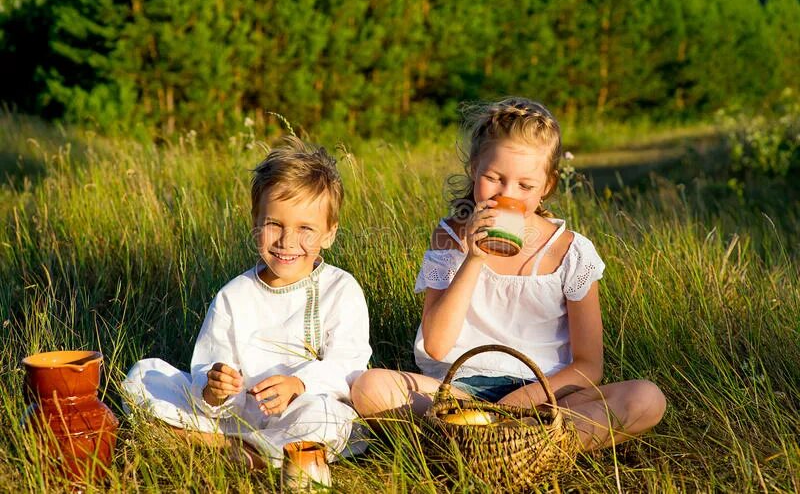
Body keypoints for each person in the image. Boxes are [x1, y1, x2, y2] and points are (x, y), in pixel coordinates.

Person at [351, 98, 666, 450]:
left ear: (547, 185)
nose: (506, 195)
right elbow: (437, 346)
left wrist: (523, 401)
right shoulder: (449, 237)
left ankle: (495, 444)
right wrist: (473, 259)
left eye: (525, 186)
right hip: (459, 393)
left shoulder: (571, 252)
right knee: (370, 387)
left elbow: (589, 365)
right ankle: (510, 444)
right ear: (474, 168)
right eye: (494, 178)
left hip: (545, 397)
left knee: (646, 399)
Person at [123, 137, 371, 467]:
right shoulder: (233, 296)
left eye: (305, 228)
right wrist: (215, 391)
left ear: (329, 233)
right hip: (236, 418)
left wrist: (300, 384)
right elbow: (209, 367)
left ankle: (217, 449)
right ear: (256, 223)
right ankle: (243, 448)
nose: (287, 241)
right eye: (274, 225)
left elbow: (349, 366)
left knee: (330, 420)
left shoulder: (340, 289)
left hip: (304, 413)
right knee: (143, 378)